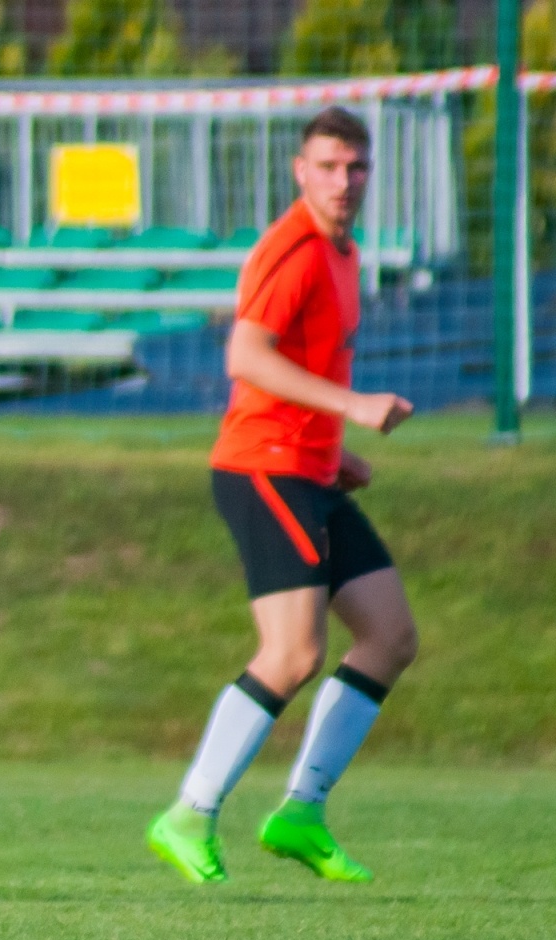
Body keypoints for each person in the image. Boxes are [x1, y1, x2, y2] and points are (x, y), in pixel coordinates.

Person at [146, 106, 419, 885]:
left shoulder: (345, 252)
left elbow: (308, 368)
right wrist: (354, 406)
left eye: (356, 166)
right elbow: (247, 357)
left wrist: (339, 450)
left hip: (311, 469)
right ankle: (189, 813)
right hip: (260, 466)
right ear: (301, 171)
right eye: (329, 165)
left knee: (391, 636)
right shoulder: (293, 248)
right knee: (294, 651)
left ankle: (301, 811)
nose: (344, 180)